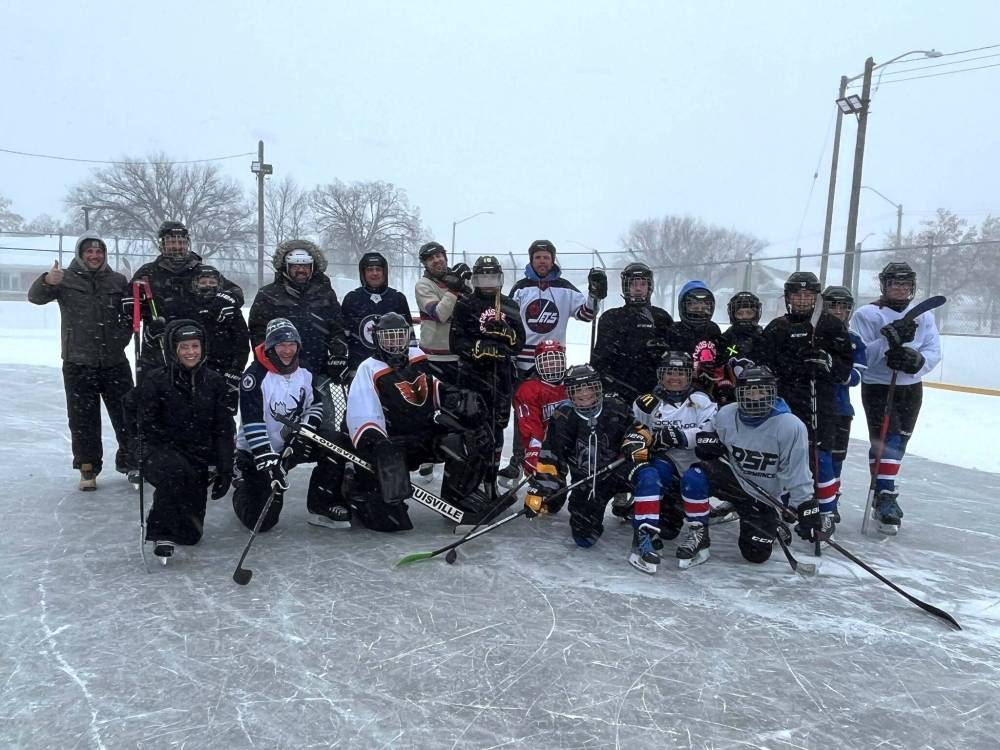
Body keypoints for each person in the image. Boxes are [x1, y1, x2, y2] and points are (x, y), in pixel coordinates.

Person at [345, 313, 493, 530]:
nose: (395, 343)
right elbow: (362, 413)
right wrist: (377, 443)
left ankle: (459, 496)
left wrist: (455, 397)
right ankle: (360, 493)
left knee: (468, 438)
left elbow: (431, 387)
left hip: (422, 437)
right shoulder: (368, 368)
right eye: (389, 338)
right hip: (392, 445)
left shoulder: (417, 356)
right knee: (392, 523)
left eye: (399, 336)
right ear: (377, 339)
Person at [670, 365, 821, 568]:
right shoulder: (726, 414)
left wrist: (805, 506)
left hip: (762, 495)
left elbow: (796, 472)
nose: (755, 397)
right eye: (749, 391)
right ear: (739, 393)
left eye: (761, 391)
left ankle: (771, 522)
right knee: (695, 475)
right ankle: (699, 534)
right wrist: (707, 443)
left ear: (772, 393)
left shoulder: (790, 426)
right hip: (733, 479)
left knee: (755, 555)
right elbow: (706, 436)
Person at [28, 234, 135, 490]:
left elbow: (129, 314)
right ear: (80, 254)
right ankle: (88, 468)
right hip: (78, 361)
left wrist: (120, 340)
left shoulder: (117, 280)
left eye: (98, 252)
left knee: (128, 414)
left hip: (114, 361)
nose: (94, 256)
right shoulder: (64, 278)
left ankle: (132, 462)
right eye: (89, 252)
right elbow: (35, 297)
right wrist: (46, 281)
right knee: (82, 419)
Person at [232, 318, 351, 533]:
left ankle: (322, 505)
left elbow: (314, 405)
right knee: (263, 521)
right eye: (280, 345)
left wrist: (304, 433)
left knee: (335, 443)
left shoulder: (304, 370)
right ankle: (242, 486)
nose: (287, 350)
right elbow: (252, 423)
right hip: (258, 452)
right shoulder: (254, 377)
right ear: (270, 347)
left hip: (292, 443)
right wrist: (266, 458)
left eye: (291, 344)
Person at [850, 261, 941, 534]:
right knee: (885, 438)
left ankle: (882, 492)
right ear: (884, 286)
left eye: (905, 284)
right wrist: (887, 343)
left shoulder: (924, 316)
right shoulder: (867, 314)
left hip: (911, 386)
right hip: (878, 384)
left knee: (900, 440)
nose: (900, 289)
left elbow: (933, 350)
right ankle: (885, 494)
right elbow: (861, 355)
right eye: (895, 284)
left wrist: (916, 360)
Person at [503, 240, 605, 482]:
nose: (542, 261)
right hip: (524, 362)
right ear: (531, 260)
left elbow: (587, 314)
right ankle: (519, 460)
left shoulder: (565, 288)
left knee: (555, 413)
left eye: (546, 257)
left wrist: (594, 294)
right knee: (524, 413)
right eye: (538, 257)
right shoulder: (520, 288)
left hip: (553, 364)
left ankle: (553, 459)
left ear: (553, 260)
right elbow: (508, 322)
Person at [762, 270, 853, 534]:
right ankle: (784, 508)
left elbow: (845, 369)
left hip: (822, 404)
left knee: (820, 459)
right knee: (784, 459)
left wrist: (828, 363)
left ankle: (825, 511)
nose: (802, 300)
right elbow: (766, 365)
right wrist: (796, 366)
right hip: (786, 405)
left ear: (816, 297)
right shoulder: (778, 327)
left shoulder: (831, 326)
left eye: (808, 295)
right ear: (788, 297)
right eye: (797, 295)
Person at [137, 319, 235, 561]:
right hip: (160, 450)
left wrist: (225, 467)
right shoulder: (156, 379)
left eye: (195, 346)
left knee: (191, 535)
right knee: (175, 472)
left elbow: (223, 427)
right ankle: (160, 532)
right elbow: (143, 424)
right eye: (184, 347)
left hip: (198, 454)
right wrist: (149, 452)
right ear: (173, 349)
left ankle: (175, 522)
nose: (190, 352)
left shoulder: (214, 381)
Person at [523, 364, 635, 548]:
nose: (584, 394)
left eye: (589, 388)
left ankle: (630, 501)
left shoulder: (616, 408)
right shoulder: (563, 416)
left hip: (618, 473)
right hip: (587, 483)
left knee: (651, 482)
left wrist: (635, 444)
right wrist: (541, 489)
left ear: (598, 388)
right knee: (584, 538)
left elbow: (638, 434)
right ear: (569, 392)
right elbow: (550, 457)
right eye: (578, 390)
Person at [627, 350, 717, 573]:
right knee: (650, 476)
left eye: (680, 372)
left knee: (694, 479)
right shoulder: (646, 403)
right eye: (669, 372)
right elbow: (635, 432)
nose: (674, 377)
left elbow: (710, 432)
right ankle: (643, 533)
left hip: (696, 462)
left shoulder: (702, 400)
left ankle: (699, 533)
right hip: (666, 461)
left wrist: (681, 437)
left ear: (690, 375)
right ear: (660, 375)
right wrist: (639, 440)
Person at [128, 220, 244, 370]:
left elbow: (235, 292)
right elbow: (130, 302)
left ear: (187, 243)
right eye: (171, 242)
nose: (177, 247)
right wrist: (134, 308)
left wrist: (226, 300)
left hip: (195, 347)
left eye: (181, 242)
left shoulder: (201, 270)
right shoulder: (148, 272)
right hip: (159, 348)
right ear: (162, 245)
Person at [450, 255, 527, 472]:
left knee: (497, 426)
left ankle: (491, 477)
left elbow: (519, 343)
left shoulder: (509, 304)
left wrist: (507, 334)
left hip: (500, 376)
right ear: (474, 280)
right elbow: (455, 342)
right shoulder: (465, 303)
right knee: (469, 423)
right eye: (483, 278)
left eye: (492, 278)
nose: (487, 283)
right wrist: (479, 348)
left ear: (500, 279)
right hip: (470, 375)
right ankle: (469, 475)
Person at [248, 239, 349, 381]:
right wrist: (269, 361)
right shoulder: (268, 295)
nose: (301, 270)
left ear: (312, 267)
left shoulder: (325, 293)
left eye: (305, 266)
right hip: (279, 371)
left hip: (319, 370)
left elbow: (337, 328)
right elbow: (258, 332)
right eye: (295, 266)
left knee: (320, 404)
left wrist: (338, 355)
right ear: (286, 266)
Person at [591, 262, 673, 404]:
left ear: (649, 287)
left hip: (655, 392)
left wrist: (660, 354)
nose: (638, 289)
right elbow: (599, 363)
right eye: (633, 284)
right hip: (619, 392)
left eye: (642, 284)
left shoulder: (661, 317)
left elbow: (673, 358)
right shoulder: (611, 317)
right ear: (626, 287)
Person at [821, 285, 867, 515]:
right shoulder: (812, 333)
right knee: (809, 457)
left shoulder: (854, 339)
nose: (838, 310)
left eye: (843, 306)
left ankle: (830, 500)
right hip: (812, 406)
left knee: (836, 458)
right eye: (833, 305)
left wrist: (838, 370)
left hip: (840, 410)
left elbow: (857, 376)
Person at [341, 251, 415, 379]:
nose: (374, 273)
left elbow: (409, 336)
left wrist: (412, 363)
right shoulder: (352, 298)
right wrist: (341, 359)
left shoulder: (397, 298)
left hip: (393, 369)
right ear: (363, 273)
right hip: (360, 368)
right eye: (370, 269)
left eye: (378, 269)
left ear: (384, 272)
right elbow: (343, 334)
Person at [190, 265, 251, 413]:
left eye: (212, 283)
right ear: (195, 284)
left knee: (224, 416)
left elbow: (242, 342)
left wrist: (236, 370)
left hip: (224, 369)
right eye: (203, 282)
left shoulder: (229, 308)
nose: (208, 286)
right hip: (194, 369)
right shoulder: (188, 306)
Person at [413, 241, 471, 386]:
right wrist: (454, 290)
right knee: (436, 404)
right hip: (434, 358)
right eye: (430, 258)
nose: (436, 260)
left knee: (460, 405)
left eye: (439, 256)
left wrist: (466, 286)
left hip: (460, 355)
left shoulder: (457, 280)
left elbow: (470, 312)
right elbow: (440, 314)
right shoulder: (423, 285)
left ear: (445, 258)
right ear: (425, 264)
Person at [512, 339, 569, 477]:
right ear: (538, 364)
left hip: (572, 441)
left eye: (555, 361)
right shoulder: (529, 389)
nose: (552, 365)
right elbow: (531, 426)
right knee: (548, 483)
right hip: (546, 445)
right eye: (547, 362)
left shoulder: (571, 384)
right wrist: (534, 452)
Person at [666, 280, 725, 398]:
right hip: (681, 389)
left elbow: (721, 355)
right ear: (683, 306)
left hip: (710, 387)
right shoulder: (674, 331)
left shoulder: (713, 329)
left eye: (704, 307)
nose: (699, 310)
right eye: (694, 307)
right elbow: (669, 363)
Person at [717, 291, 768, 405]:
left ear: (756, 314)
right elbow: (719, 367)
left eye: (749, 313)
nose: (744, 317)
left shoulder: (764, 338)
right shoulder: (725, 339)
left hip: (759, 396)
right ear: (732, 315)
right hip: (731, 396)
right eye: (740, 313)